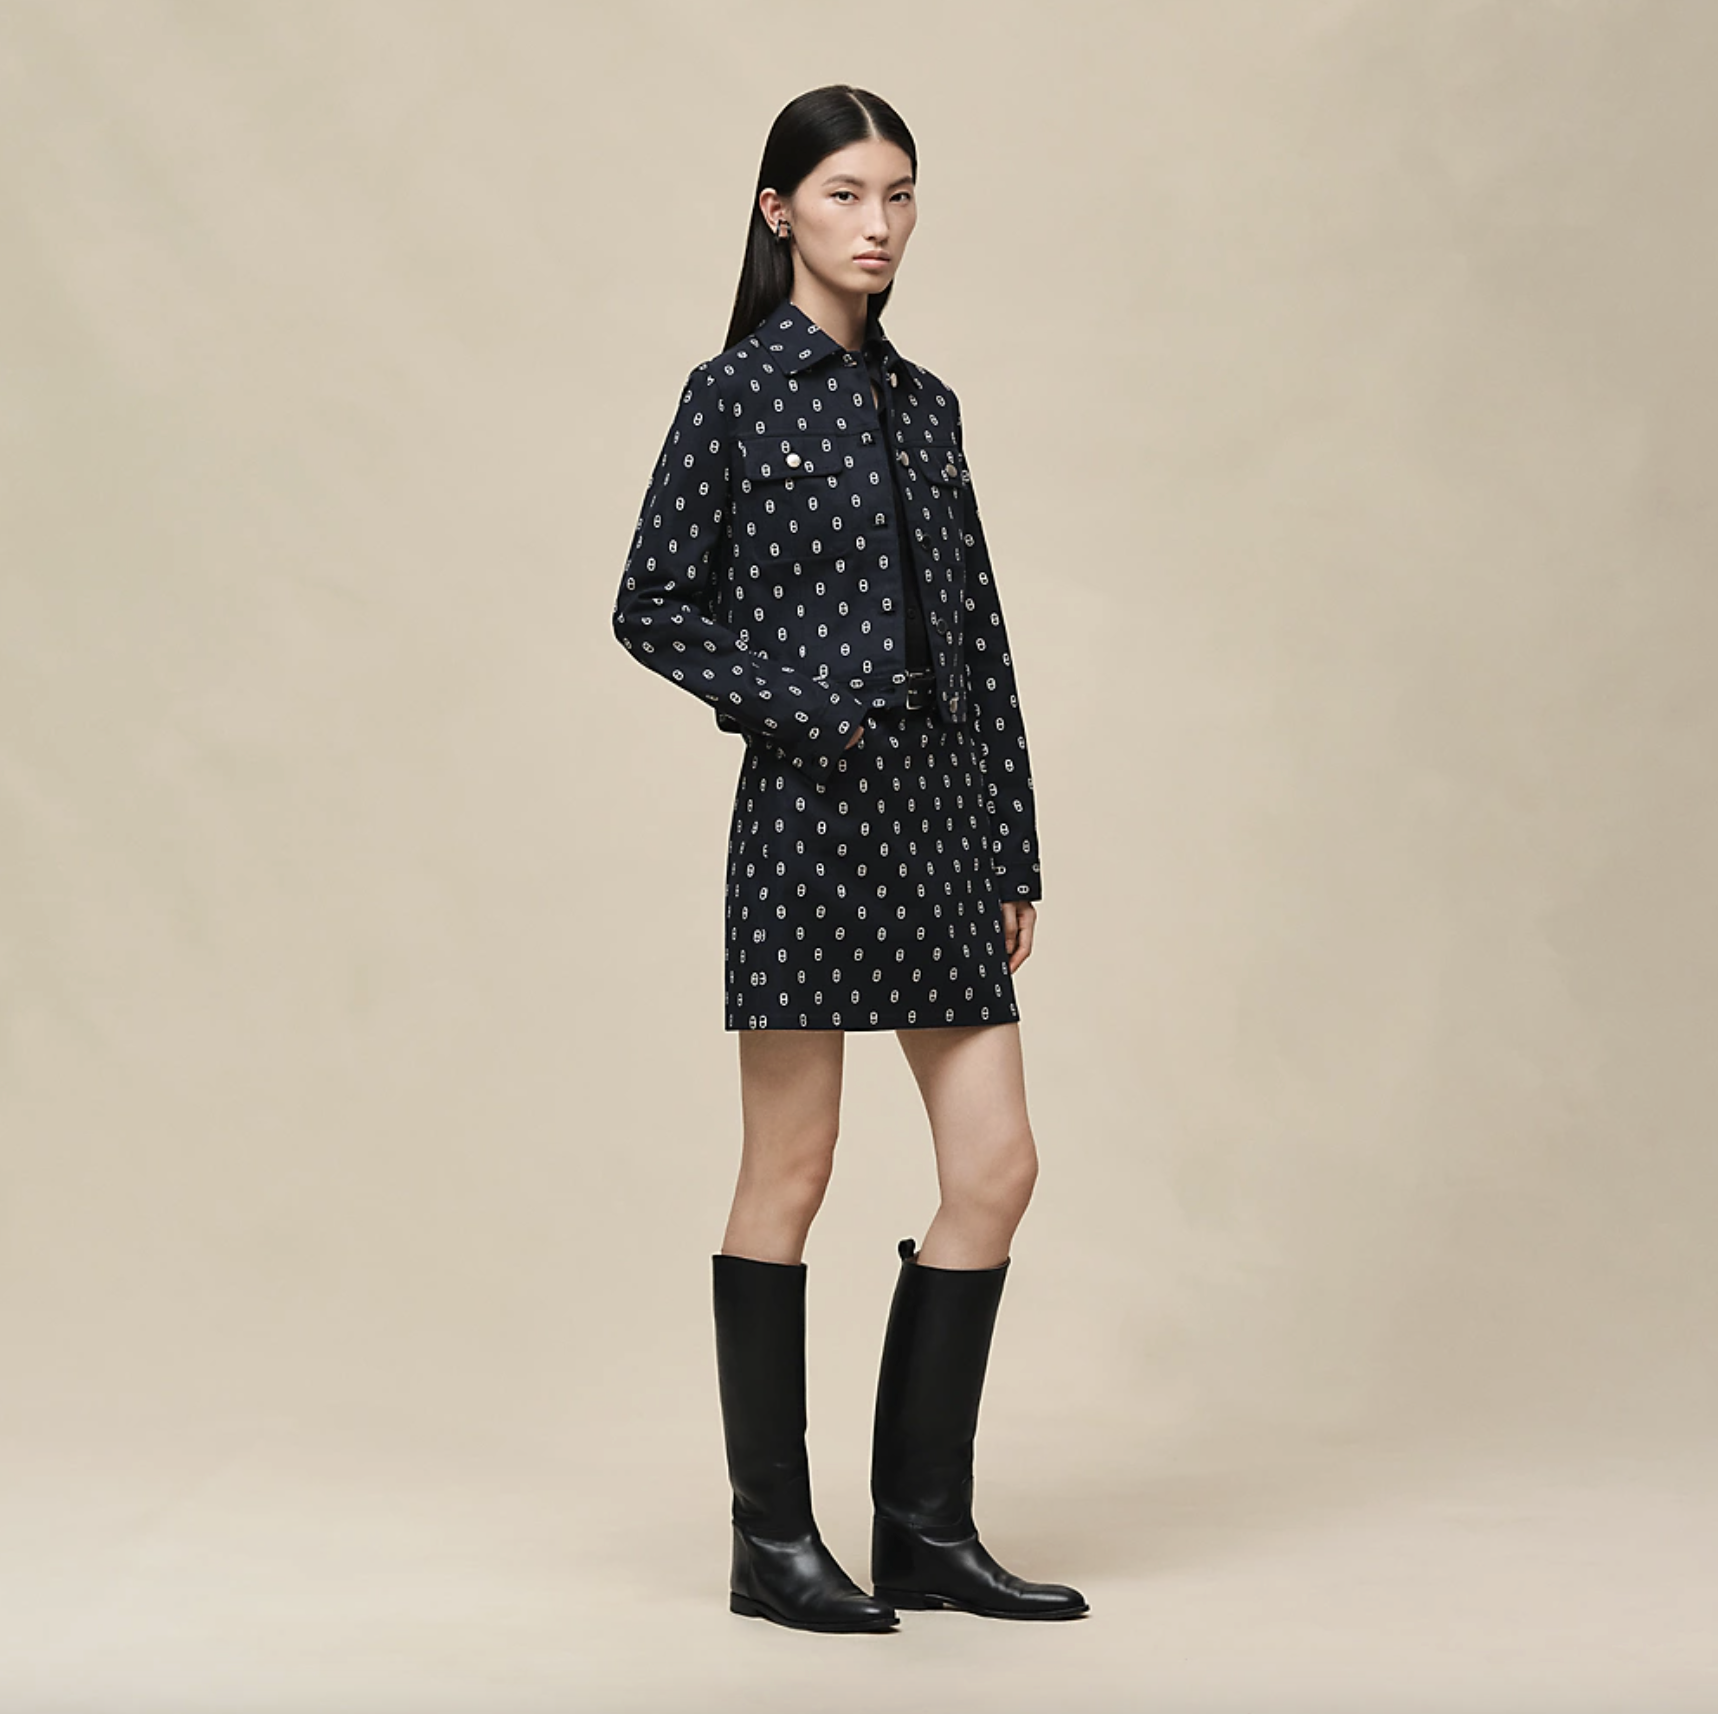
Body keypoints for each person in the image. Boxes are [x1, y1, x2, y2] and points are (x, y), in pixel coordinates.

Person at [611, 84, 1088, 1633]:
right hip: (810, 821)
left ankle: (924, 1531)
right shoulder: (732, 395)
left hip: (941, 823)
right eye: (842, 195)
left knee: (995, 1169)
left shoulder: (926, 405)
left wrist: (1010, 844)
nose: (876, 225)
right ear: (779, 212)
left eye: (897, 195)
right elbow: (650, 603)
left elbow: (982, 641)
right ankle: (771, 1543)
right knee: (792, 1169)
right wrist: (809, 709)